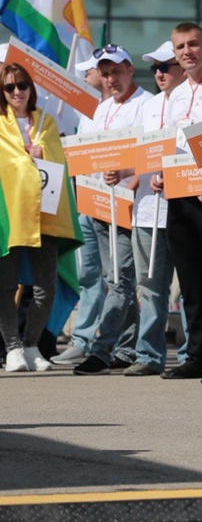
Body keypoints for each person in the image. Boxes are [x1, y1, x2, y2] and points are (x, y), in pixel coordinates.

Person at [73, 45, 154, 375]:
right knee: (116, 279)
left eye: (117, 71)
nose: (110, 79)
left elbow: (152, 153)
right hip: (96, 204)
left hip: (127, 206)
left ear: (130, 69)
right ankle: (127, 347)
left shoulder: (146, 104)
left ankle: (101, 350)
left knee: (119, 281)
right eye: (105, 73)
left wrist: (130, 180)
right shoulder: (101, 107)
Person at [0, 64, 82, 372]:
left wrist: (43, 152)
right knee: (6, 286)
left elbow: (59, 161)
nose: (17, 92)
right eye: (9, 87)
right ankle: (12, 347)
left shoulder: (47, 121)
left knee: (45, 286)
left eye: (22, 85)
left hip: (45, 215)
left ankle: (31, 344)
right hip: (9, 216)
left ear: (31, 88)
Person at [152, 22, 202, 380]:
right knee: (191, 279)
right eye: (180, 47)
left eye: (193, 44)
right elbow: (171, 145)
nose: (187, 52)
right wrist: (159, 173)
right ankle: (198, 354)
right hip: (179, 195)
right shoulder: (175, 96)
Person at [123, 42, 183, 376]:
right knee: (149, 287)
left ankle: (192, 354)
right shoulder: (147, 106)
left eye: (165, 66)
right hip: (147, 209)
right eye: (155, 68)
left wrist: (174, 174)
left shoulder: (199, 99)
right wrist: (124, 173)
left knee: (191, 287)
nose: (159, 73)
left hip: (185, 208)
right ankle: (148, 354)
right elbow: (137, 154)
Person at [52, 58, 108, 367]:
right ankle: (84, 339)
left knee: (120, 278)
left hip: (115, 203)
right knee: (89, 276)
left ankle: (117, 341)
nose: (84, 76)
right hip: (86, 201)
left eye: (89, 71)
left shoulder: (134, 105)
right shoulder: (87, 112)